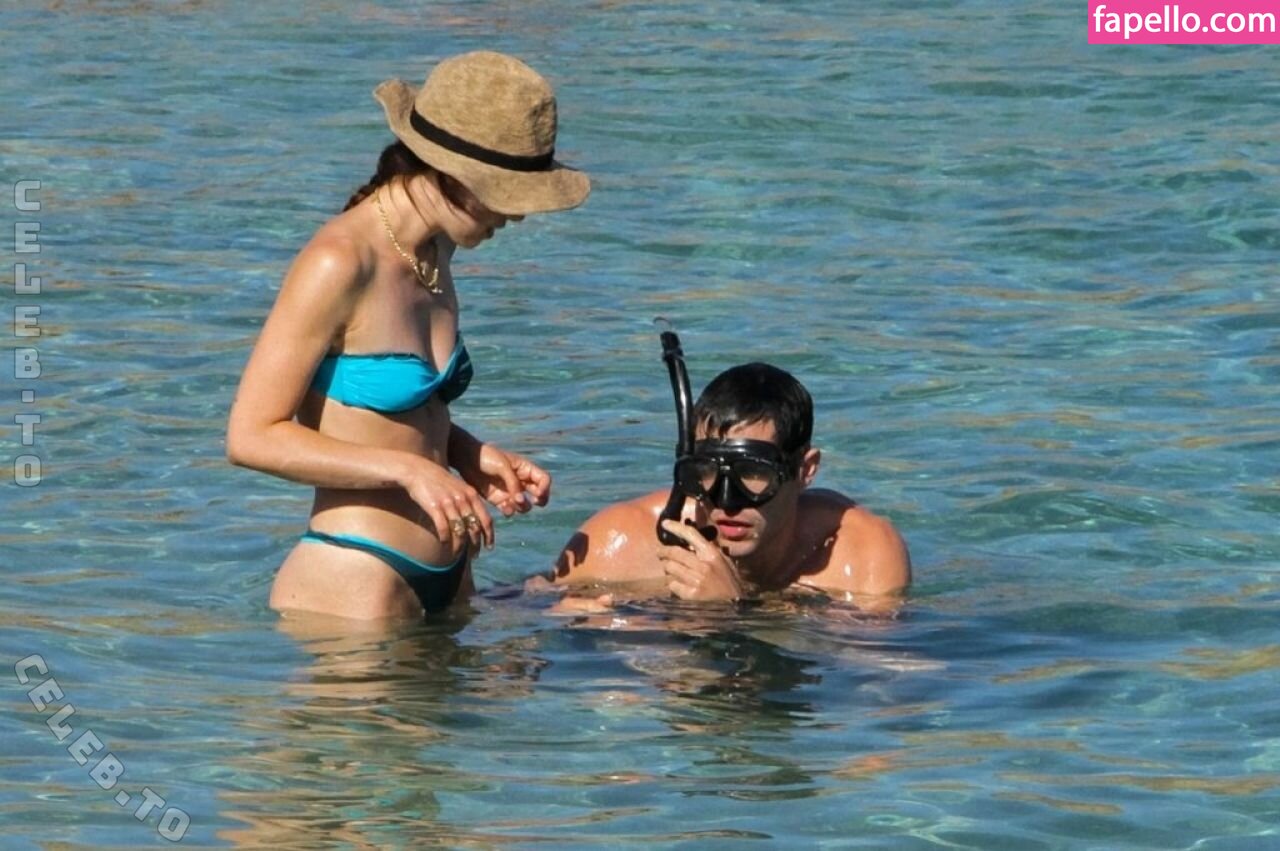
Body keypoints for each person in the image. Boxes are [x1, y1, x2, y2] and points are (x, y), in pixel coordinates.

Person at [227, 51, 590, 620]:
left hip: (452, 575)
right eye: (507, 195)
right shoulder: (338, 261)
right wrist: (411, 470)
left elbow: (388, 414)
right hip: (356, 580)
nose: (518, 216)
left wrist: (466, 453)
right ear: (449, 173)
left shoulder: (435, 248)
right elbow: (251, 436)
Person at [540, 363, 911, 611]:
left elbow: (873, 684)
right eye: (706, 471)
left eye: (753, 473)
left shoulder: (862, 556)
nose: (727, 501)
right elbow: (522, 612)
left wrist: (729, 611)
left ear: (805, 470)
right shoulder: (623, 540)